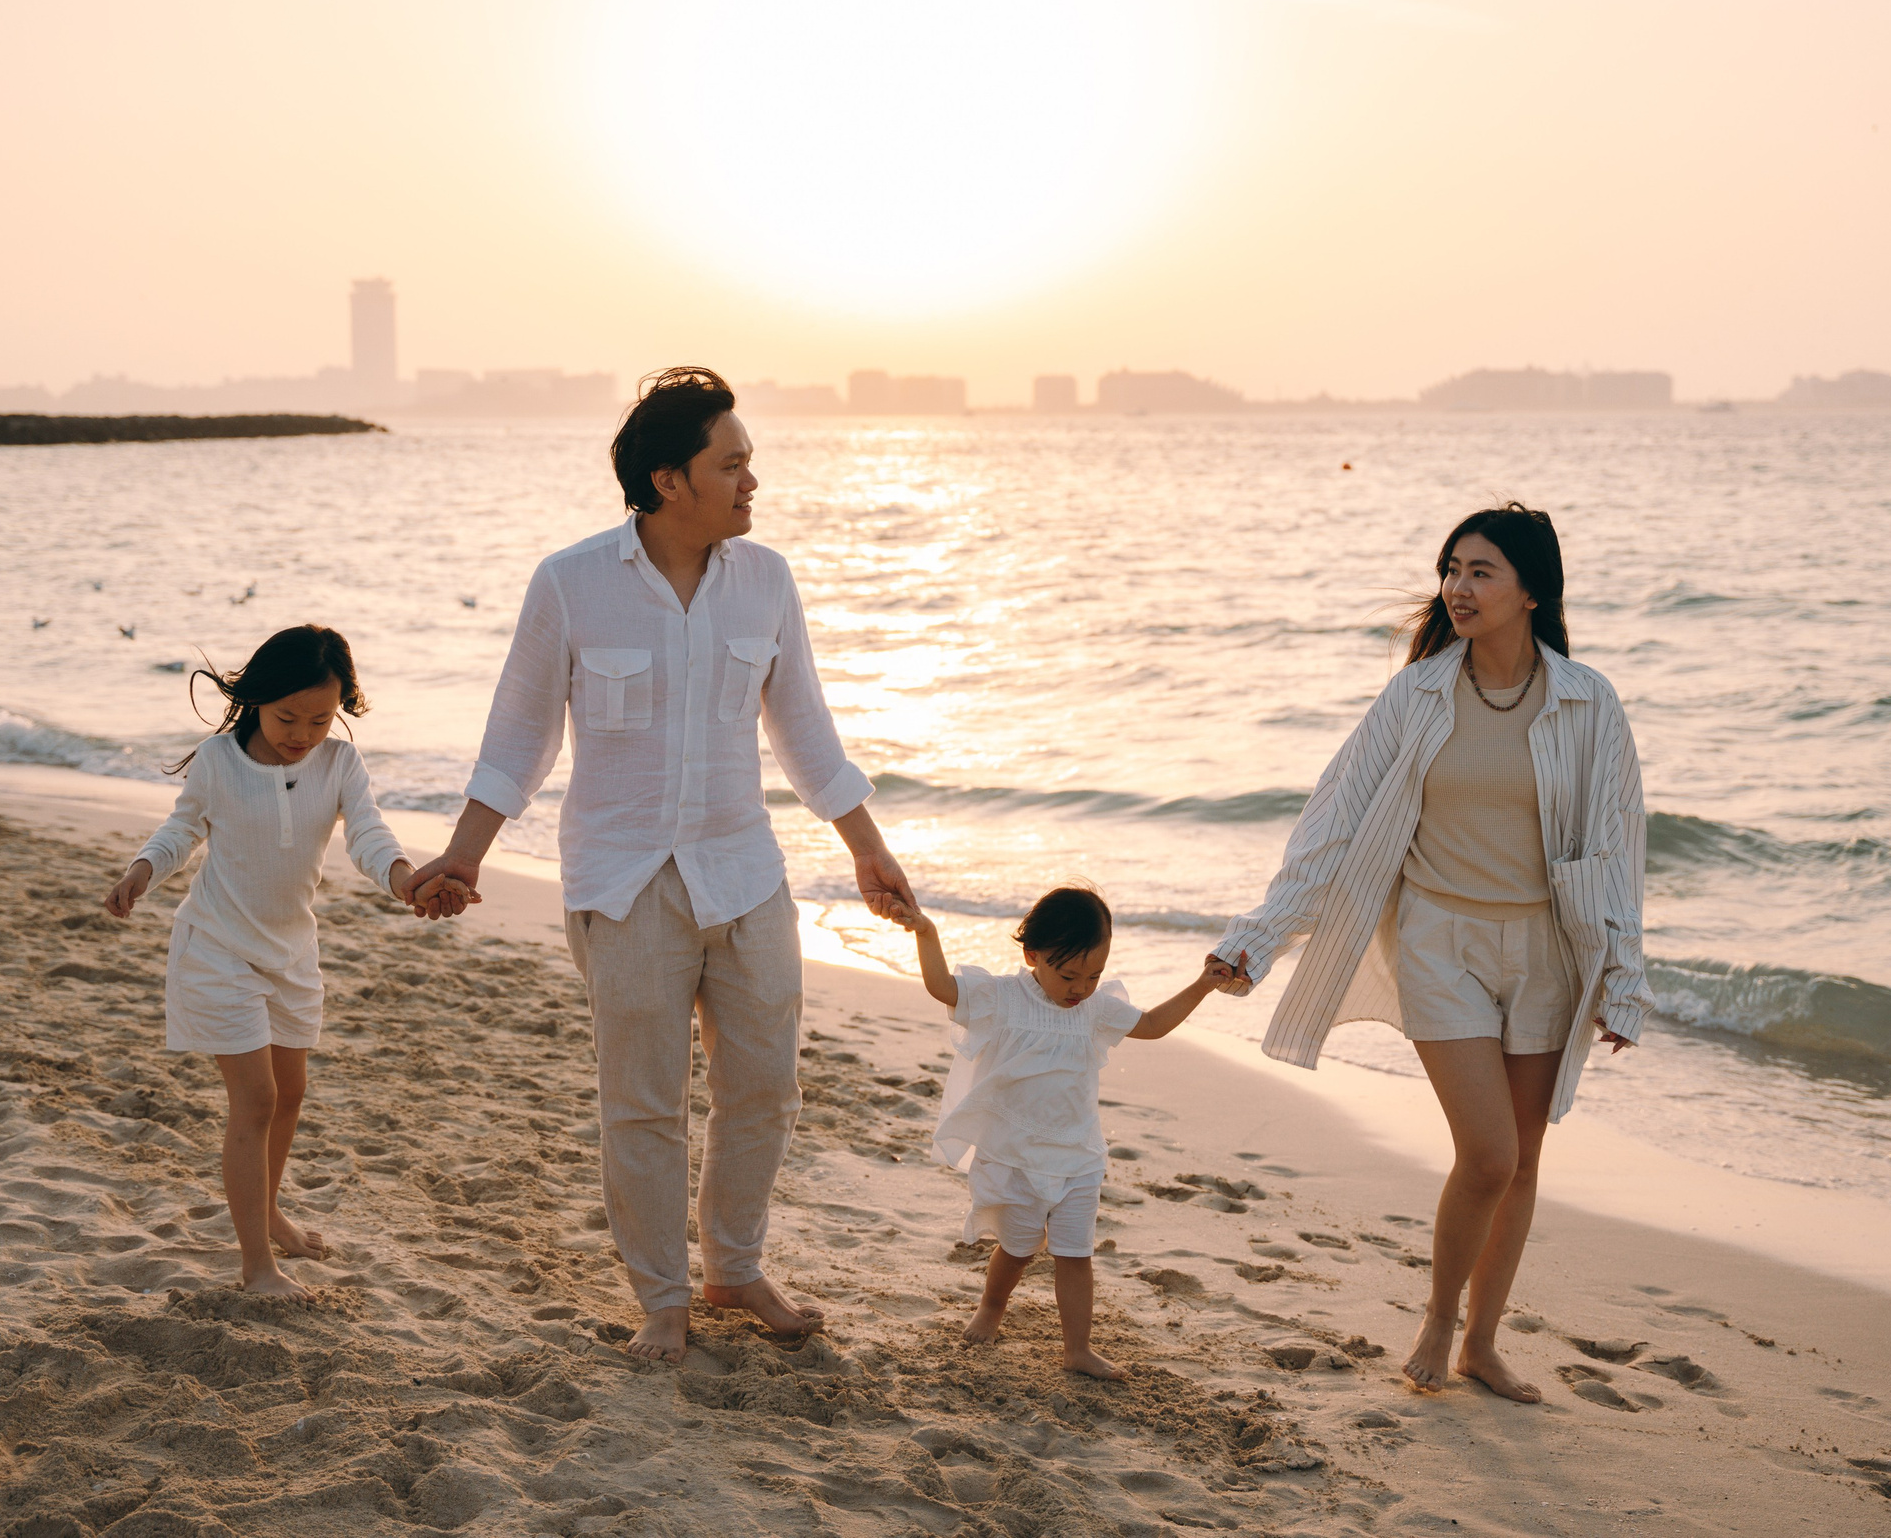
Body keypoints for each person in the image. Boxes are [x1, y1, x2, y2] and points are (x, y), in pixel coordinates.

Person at [400, 367, 917, 1364]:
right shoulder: (571, 582)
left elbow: (806, 731)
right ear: (668, 478)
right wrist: (463, 857)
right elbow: (517, 740)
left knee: (764, 1083)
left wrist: (869, 850)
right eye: (733, 465)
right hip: (621, 880)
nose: (751, 482)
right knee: (643, 1103)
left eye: (750, 463)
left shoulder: (765, 581)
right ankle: (663, 1298)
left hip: (745, 874)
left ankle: (734, 1265)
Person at [1206, 504, 1648, 1401]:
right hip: (1438, 941)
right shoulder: (1414, 696)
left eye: (1481, 571)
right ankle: (1440, 1318)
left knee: (1523, 1159)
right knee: (1486, 1154)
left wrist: (1623, 982)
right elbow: (1331, 823)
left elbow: (1618, 846)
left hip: (1547, 952)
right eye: (1451, 569)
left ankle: (1484, 1343)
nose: (1457, 587)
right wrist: (1258, 937)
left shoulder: (1587, 701)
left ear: (1533, 592)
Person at [104, 625, 468, 1298]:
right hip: (217, 949)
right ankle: (256, 1267)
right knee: (258, 1099)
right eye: (286, 717)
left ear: (342, 710)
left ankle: (269, 1212)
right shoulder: (218, 761)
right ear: (258, 700)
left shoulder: (339, 766)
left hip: (291, 953)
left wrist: (405, 880)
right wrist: (141, 871)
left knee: (291, 1094)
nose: (302, 733)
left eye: (320, 719)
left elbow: (367, 834)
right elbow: (182, 827)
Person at [890, 886, 1230, 1381]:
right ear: (1033, 955)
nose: (1081, 988)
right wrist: (926, 932)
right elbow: (943, 986)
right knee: (1018, 1248)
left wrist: (1203, 984)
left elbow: (1153, 1024)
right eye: (1069, 975)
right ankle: (991, 1307)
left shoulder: (1096, 1008)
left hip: (1077, 1157)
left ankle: (1078, 1349)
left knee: (1076, 1254)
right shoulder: (1002, 997)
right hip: (1015, 1155)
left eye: (1094, 975)